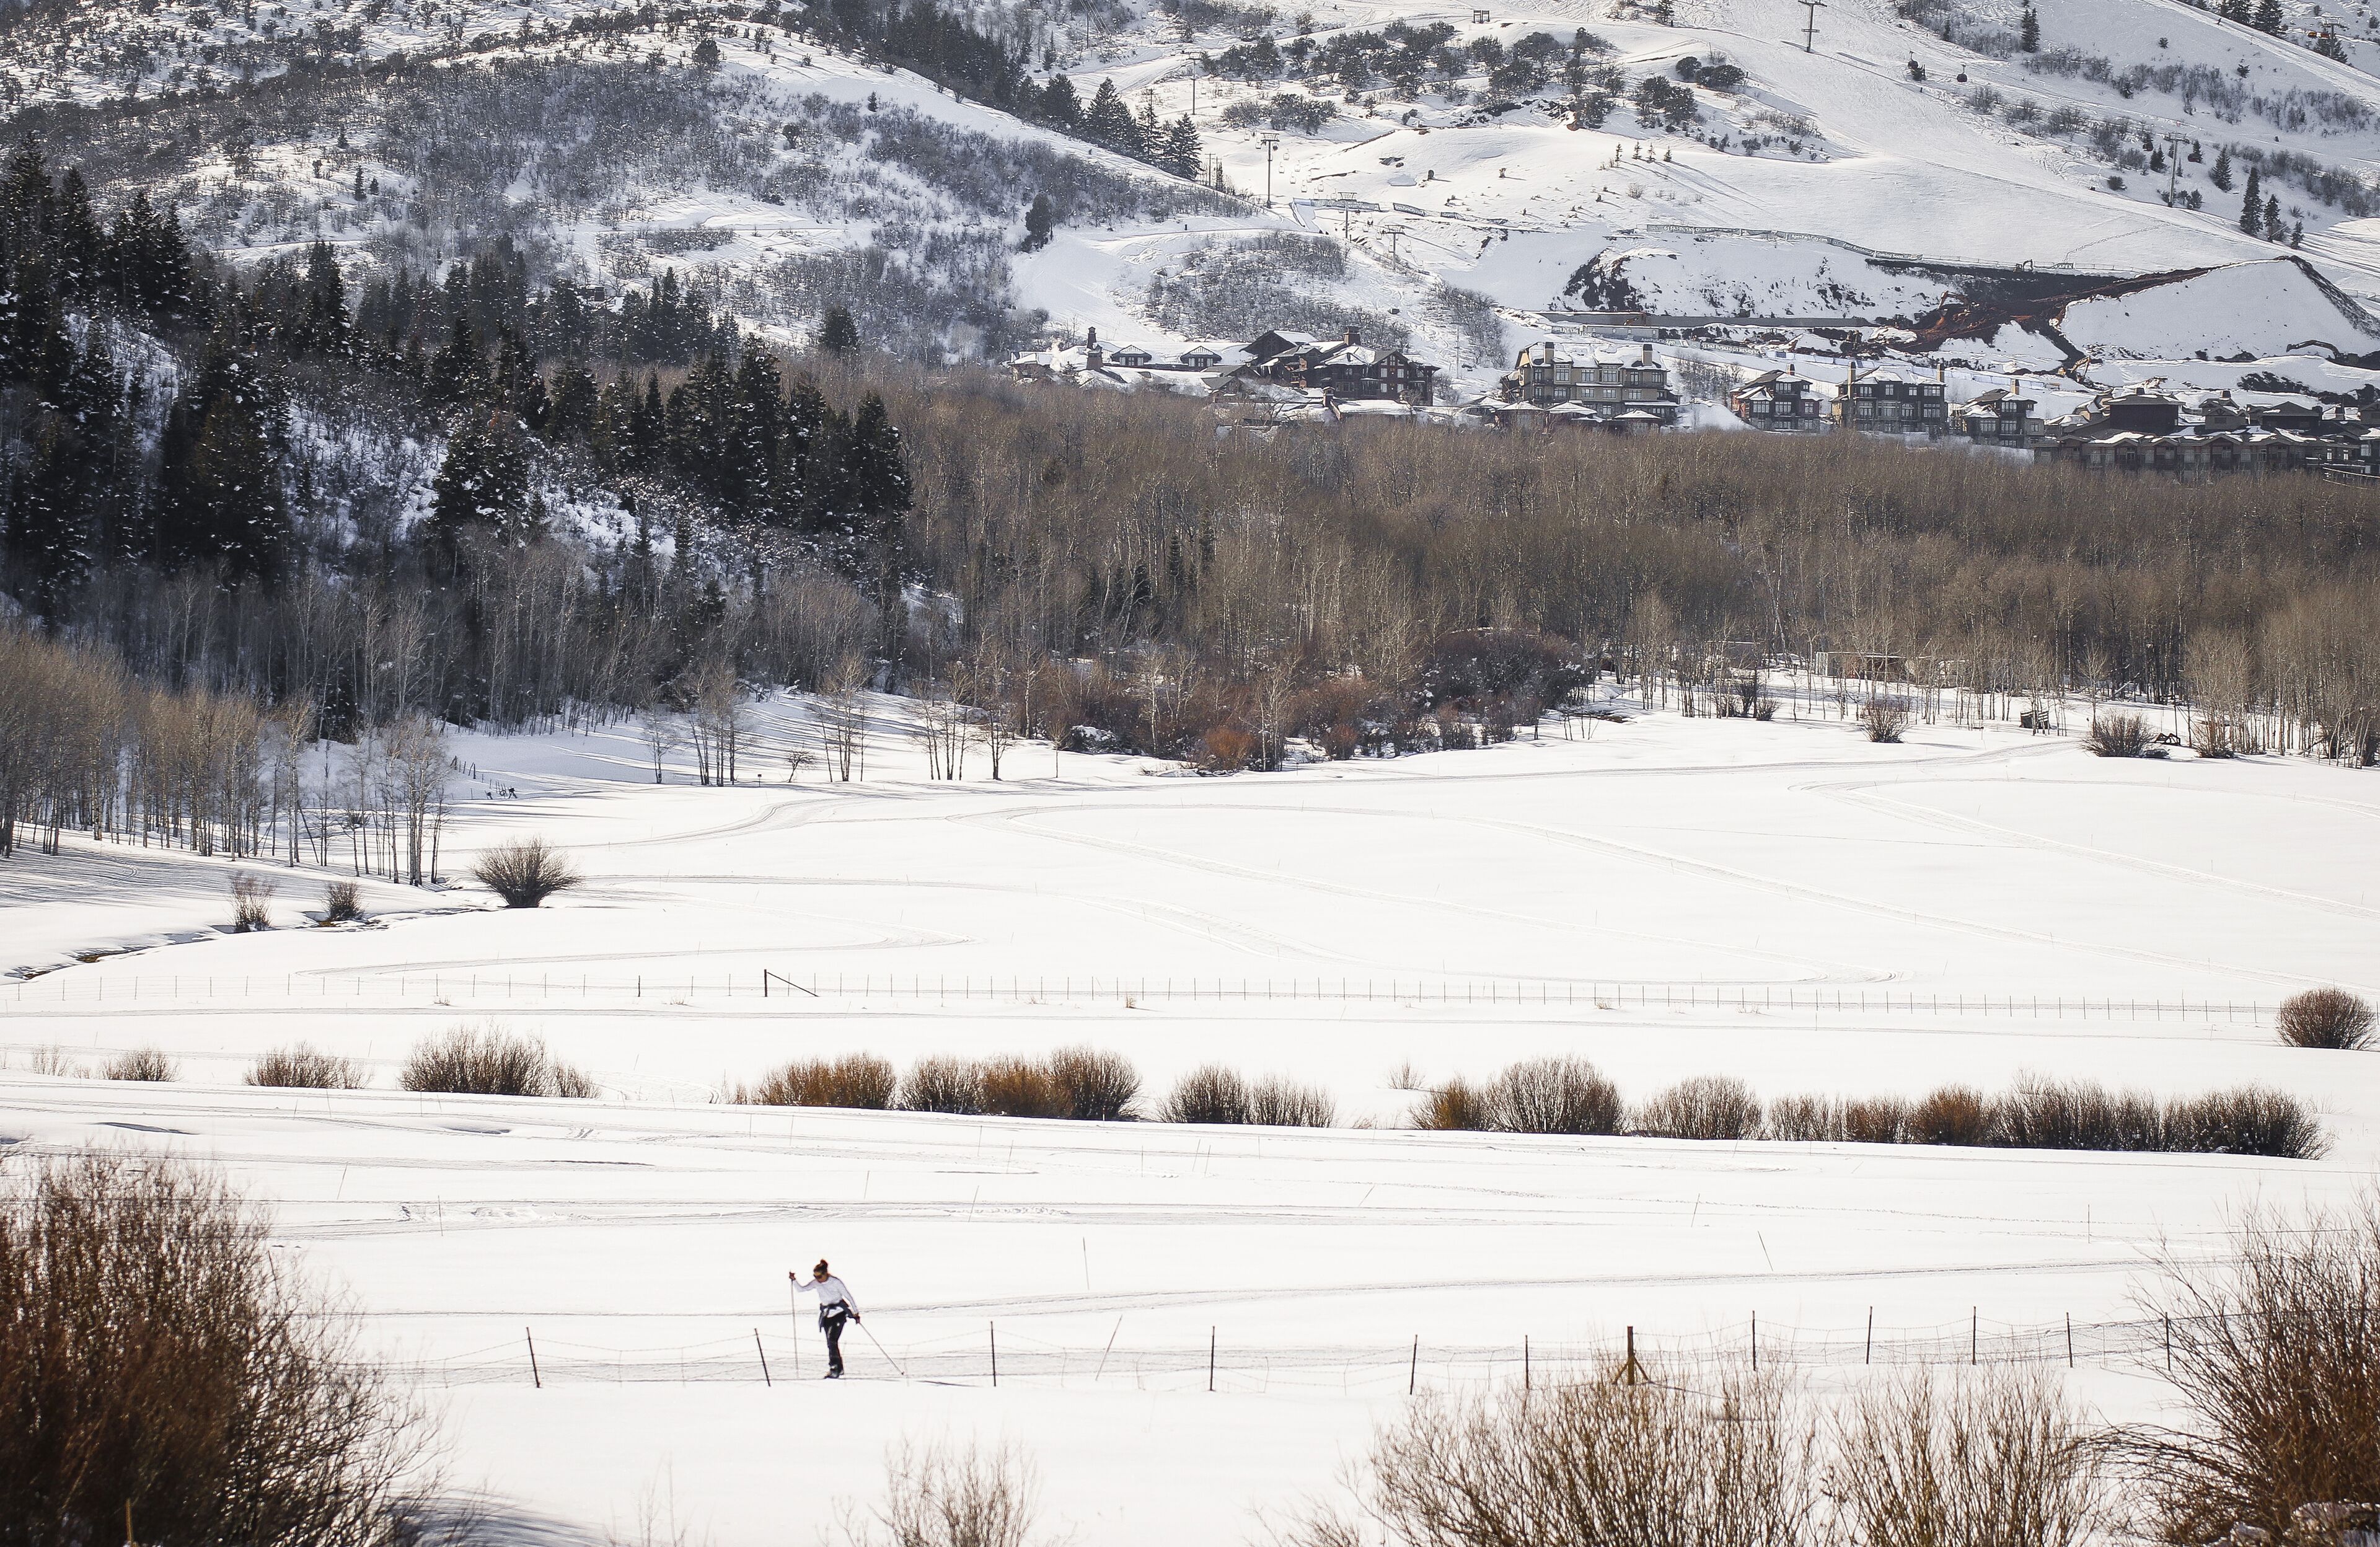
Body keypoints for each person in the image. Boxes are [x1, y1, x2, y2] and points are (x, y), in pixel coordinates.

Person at [789, 1258, 860, 1377]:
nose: (818, 1279)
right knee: (830, 1342)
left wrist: (856, 1313)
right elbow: (801, 1290)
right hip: (827, 1315)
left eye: (820, 1276)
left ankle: (834, 1368)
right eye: (815, 1276)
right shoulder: (816, 1283)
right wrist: (794, 1280)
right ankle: (839, 1368)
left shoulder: (835, 1282)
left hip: (839, 1314)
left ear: (825, 1273)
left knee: (832, 1340)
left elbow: (848, 1296)